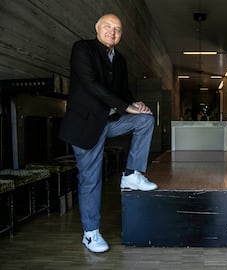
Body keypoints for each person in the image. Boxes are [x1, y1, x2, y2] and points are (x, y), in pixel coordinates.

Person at [59, 13, 158, 253]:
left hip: (109, 122)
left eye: (118, 29)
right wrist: (127, 107)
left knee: (145, 119)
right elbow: (92, 85)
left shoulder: (120, 59)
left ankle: (131, 174)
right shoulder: (82, 49)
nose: (112, 32)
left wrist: (137, 104)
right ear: (97, 28)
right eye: (108, 26)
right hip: (85, 125)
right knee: (90, 180)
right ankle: (90, 233)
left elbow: (123, 91)